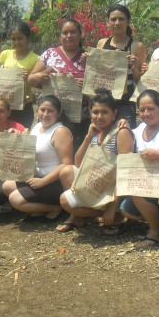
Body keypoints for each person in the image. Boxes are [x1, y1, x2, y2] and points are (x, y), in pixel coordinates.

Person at [57, 88, 135, 234]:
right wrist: (88, 137)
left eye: (105, 112)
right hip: (96, 184)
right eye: (95, 112)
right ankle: (80, 216)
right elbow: (78, 164)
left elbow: (126, 172)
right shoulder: (94, 132)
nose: (99, 116)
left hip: (114, 190)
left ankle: (116, 213)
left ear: (115, 113)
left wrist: (112, 208)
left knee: (65, 200)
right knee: (66, 171)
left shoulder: (121, 132)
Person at [119, 90, 159, 247]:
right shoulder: (139, 129)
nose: (146, 113)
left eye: (151, 108)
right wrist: (124, 128)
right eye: (142, 110)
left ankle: (156, 231)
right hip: (147, 185)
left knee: (136, 191)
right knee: (125, 210)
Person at [1, 95, 74, 221]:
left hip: (54, 182)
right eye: (42, 109)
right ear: (37, 110)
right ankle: (43, 207)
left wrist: (43, 182)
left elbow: (67, 165)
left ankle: (55, 208)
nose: (45, 114)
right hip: (36, 177)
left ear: (58, 113)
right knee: (7, 186)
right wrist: (18, 136)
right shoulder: (37, 126)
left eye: (50, 111)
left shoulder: (60, 132)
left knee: (15, 199)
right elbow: (29, 148)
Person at [28, 18, 88, 148]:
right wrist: (40, 75)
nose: (69, 36)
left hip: (79, 119)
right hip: (49, 117)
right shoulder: (50, 54)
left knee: (74, 154)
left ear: (80, 34)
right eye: (65, 32)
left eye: (73, 32)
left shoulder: (87, 57)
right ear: (60, 35)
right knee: (48, 153)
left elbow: (98, 88)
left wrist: (87, 84)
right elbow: (30, 80)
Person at [90, 4, 146, 127]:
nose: (117, 22)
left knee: (123, 135)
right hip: (103, 102)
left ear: (128, 22)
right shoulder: (102, 43)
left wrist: (135, 66)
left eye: (121, 19)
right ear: (107, 22)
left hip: (125, 102)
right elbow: (96, 72)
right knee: (102, 139)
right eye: (113, 19)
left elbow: (140, 80)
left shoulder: (136, 46)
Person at [0, 22, 40, 128]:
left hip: (24, 107)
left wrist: (29, 77)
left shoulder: (36, 59)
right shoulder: (4, 54)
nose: (16, 42)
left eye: (20, 38)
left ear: (28, 38)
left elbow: (37, 84)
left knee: (19, 138)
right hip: (4, 106)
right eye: (13, 39)